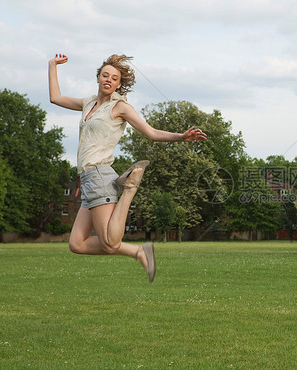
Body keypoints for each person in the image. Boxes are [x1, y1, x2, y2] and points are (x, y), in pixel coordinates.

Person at [48, 53, 207, 282]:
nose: (108, 80)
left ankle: (130, 188)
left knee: (110, 242)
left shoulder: (120, 107)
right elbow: (55, 98)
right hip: (87, 179)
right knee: (77, 244)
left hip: (100, 173)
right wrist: (52, 65)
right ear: (98, 77)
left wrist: (181, 137)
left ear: (119, 84)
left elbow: (150, 132)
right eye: (105, 75)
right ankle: (139, 251)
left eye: (114, 78)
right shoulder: (88, 103)